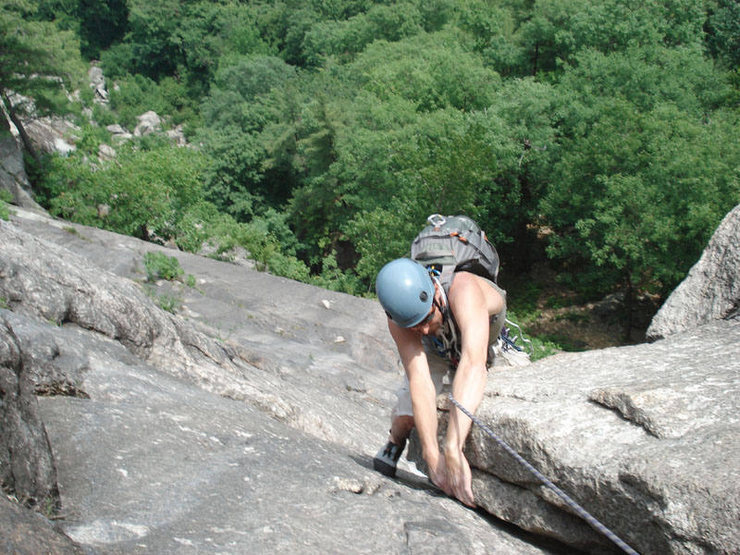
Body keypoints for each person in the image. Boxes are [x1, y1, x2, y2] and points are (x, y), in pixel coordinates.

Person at [373, 257, 506, 508]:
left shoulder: (465, 290)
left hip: (481, 341)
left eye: (425, 319)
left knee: (474, 392)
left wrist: (453, 446)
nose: (421, 330)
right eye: (414, 326)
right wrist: (432, 455)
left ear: (434, 291)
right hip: (438, 347)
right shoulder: (399, 318)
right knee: (406, 412)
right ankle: (395, 441)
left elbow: (473, 364)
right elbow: (420, 381)